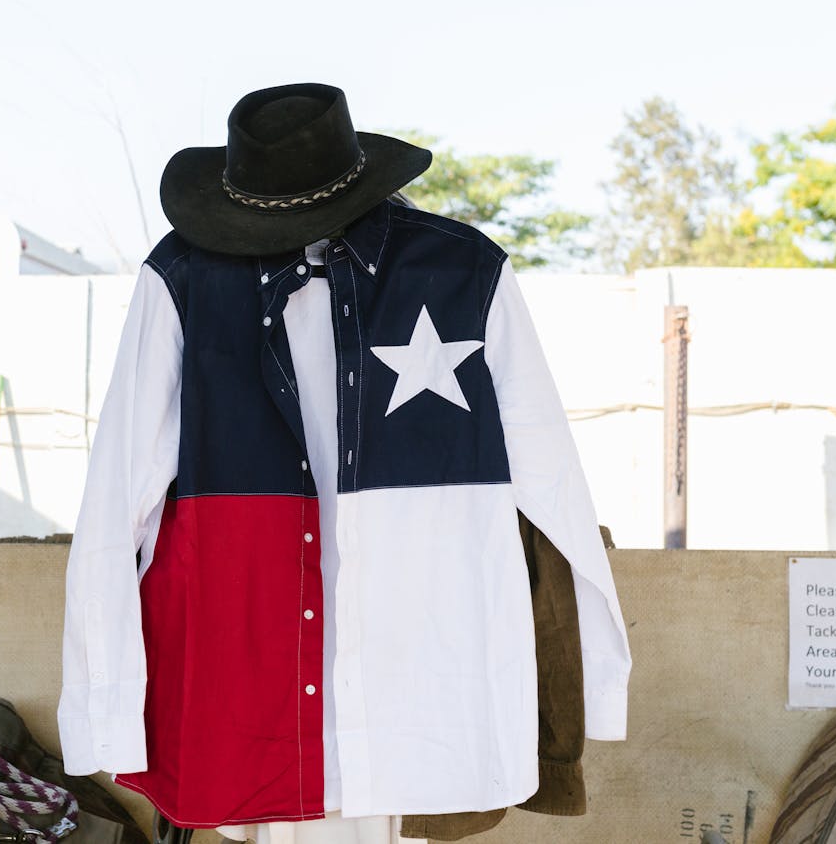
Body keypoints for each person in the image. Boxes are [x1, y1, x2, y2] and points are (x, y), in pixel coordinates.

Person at [58, 82, 631, 844]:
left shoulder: (466, 274)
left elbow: (551, 485)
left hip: (423, 676)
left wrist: (594, 681)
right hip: (252, 669)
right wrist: (105, 705)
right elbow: (117, 498)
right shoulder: (184, 281)